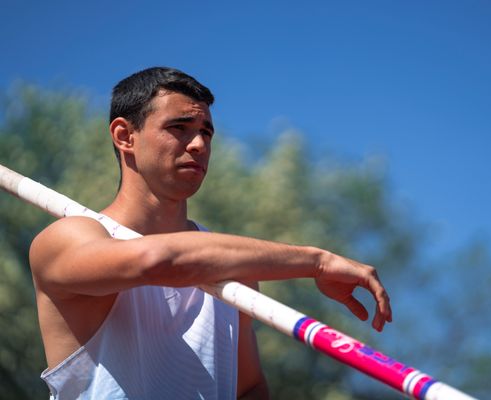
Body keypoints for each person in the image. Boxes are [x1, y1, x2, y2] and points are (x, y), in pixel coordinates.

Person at [29, 67, 392, 400]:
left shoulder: (232, 268)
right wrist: (316, 262)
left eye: (206, 132)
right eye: (179, 128)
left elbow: (248, 388)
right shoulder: (68, 238)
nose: (200, 145)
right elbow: (160, 261)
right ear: (125, 136)